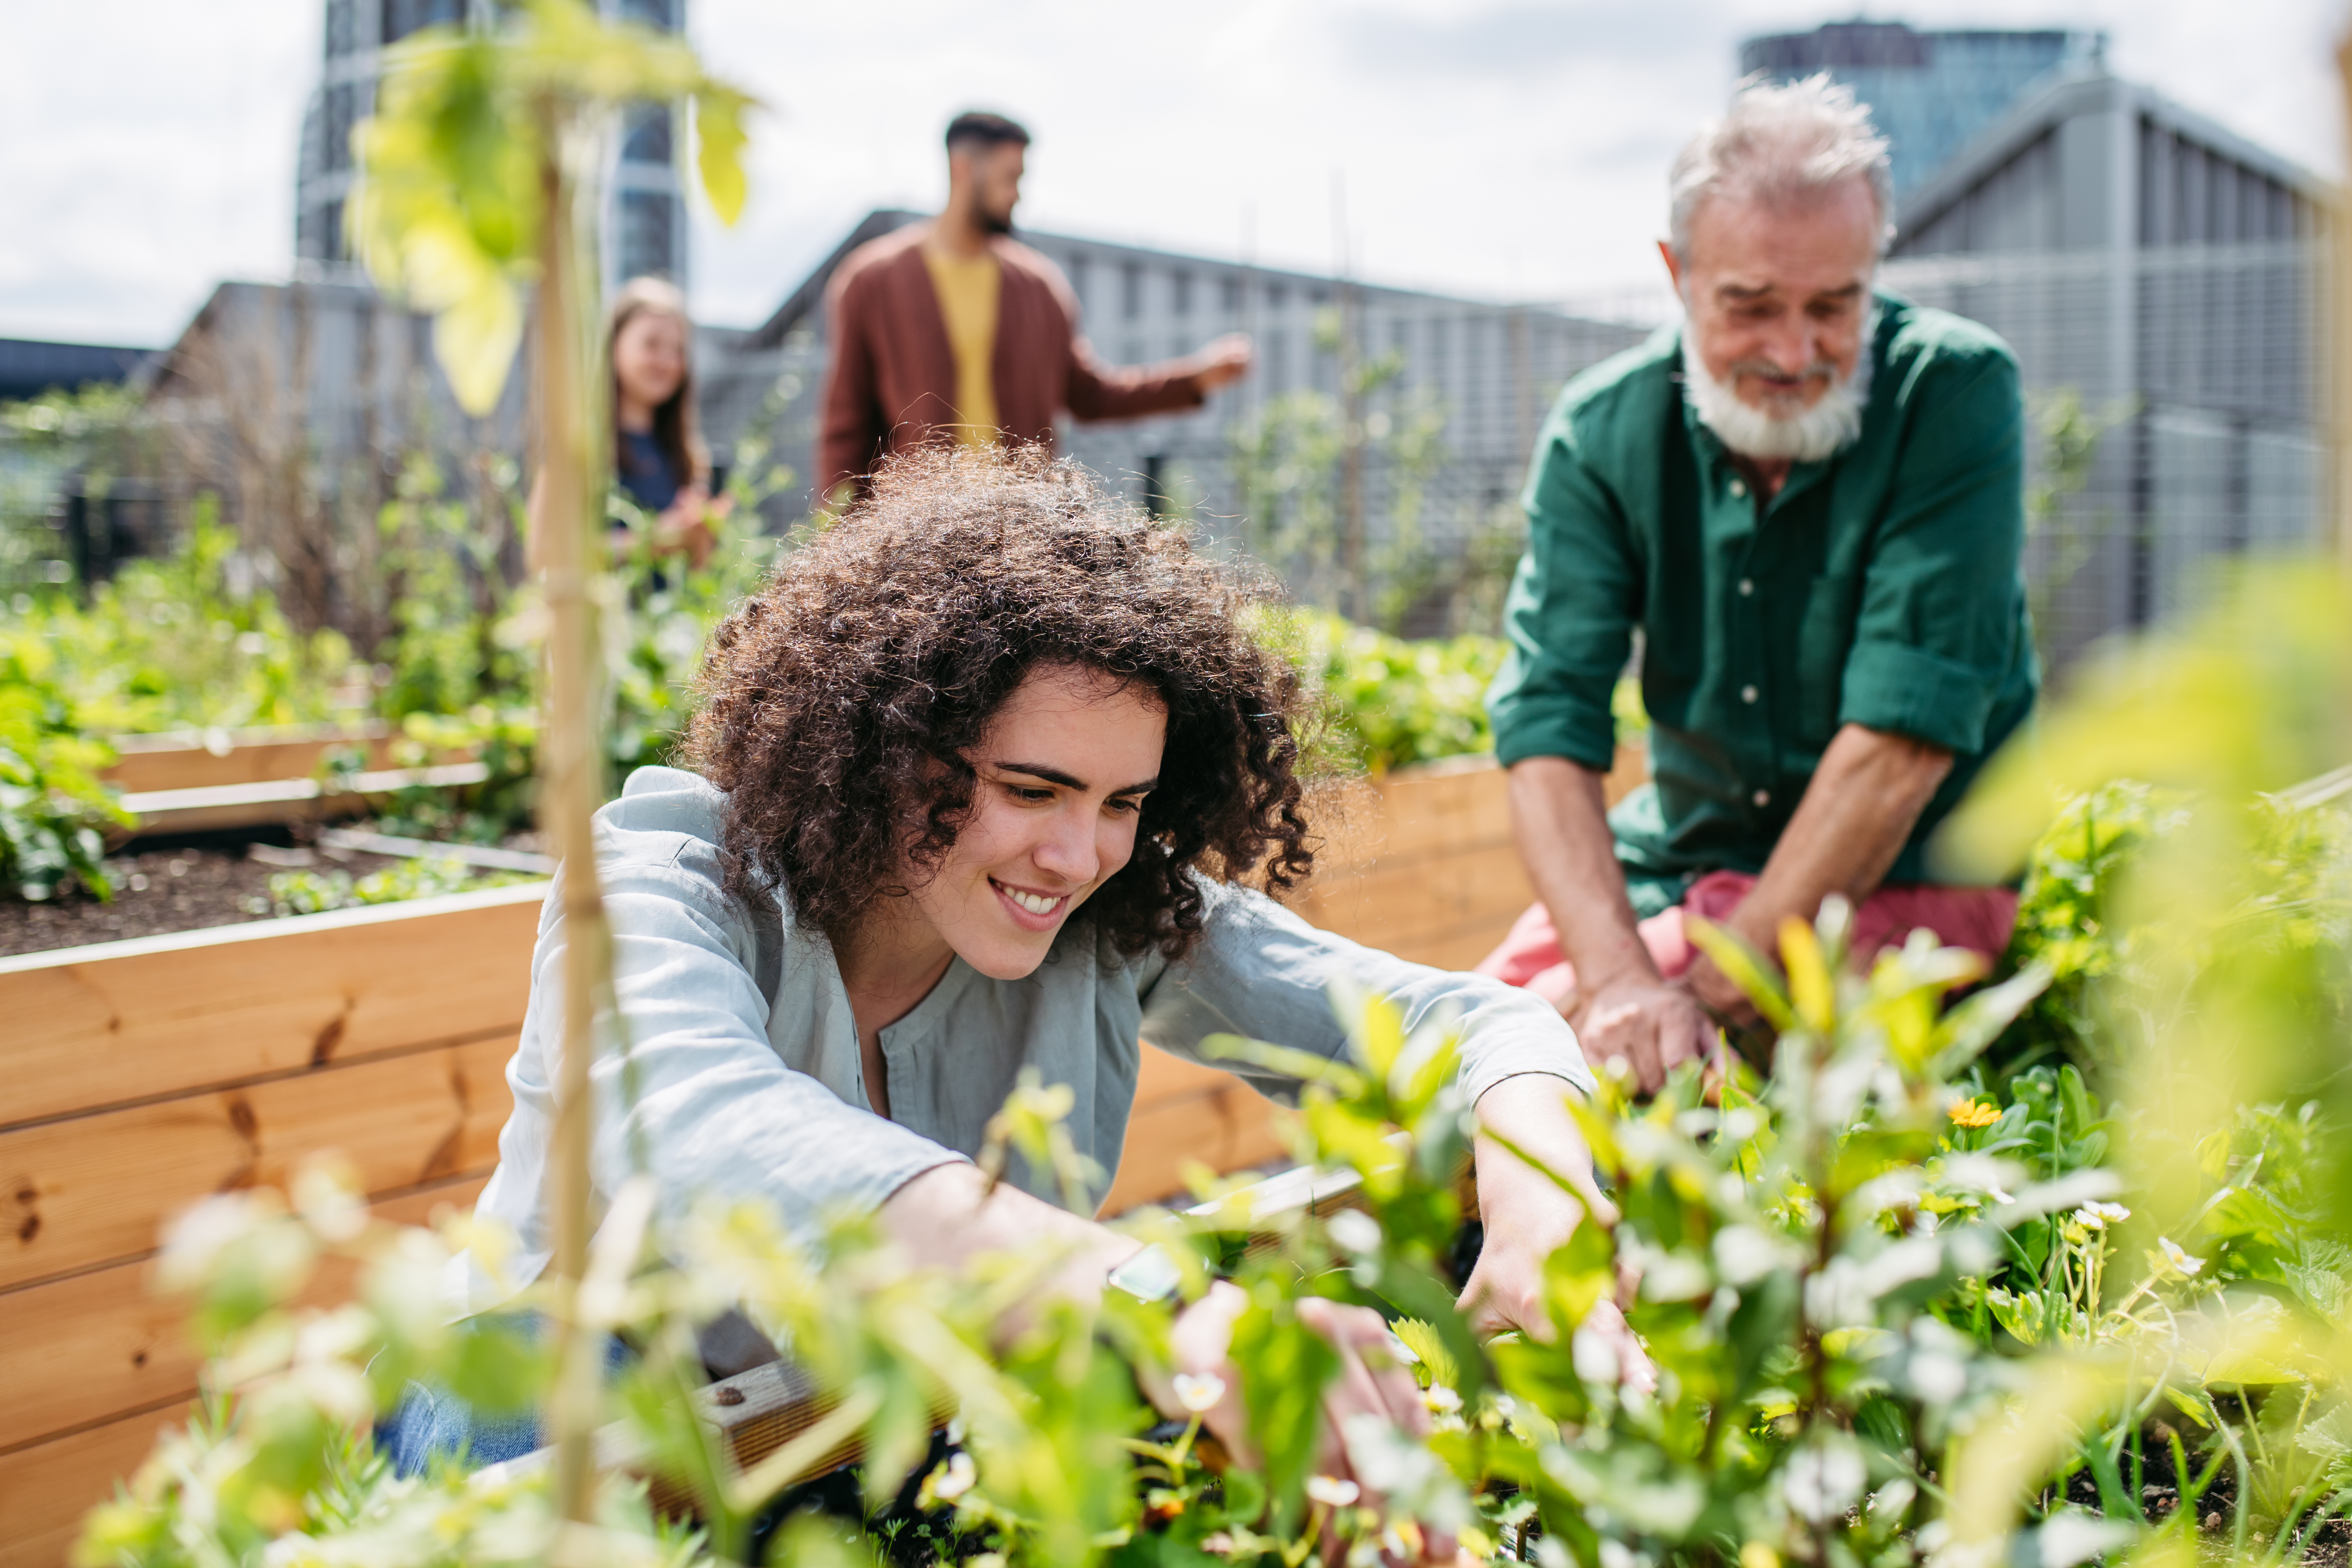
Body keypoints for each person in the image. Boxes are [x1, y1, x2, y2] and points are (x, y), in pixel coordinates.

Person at [398, 447, 1641, 1506]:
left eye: (1122, 804)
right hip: (539, 1439)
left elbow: (1461, 1022)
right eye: (1029, 789)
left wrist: (1546, 1210)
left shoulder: (1110, 905)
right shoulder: (665, 882)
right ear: (883, 740)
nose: (1076, 853)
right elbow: (706, 1131)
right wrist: (1149, 1300)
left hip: (850, 1441)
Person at [1478, 75, 2040, 1093]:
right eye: (1749, 307)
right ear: (1676, 275)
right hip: (1679, 863)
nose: (1795, 351)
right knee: (1481, 1034)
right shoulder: (1601, 432)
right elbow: (1547, 725)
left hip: (1911, 874)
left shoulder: (1952, 392)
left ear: (1874, 272)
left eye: (1834, 306)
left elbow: (1898, 748)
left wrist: (1703, 987)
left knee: (1587, 1069)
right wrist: (1615, 978)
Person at [817, 111, 1253, 503]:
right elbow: (847, 421)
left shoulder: (1039, 287)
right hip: (917, 539)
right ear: (963, 169)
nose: (1018, 194)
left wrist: (1195, 377)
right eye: (1011, 177)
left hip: (1023, 534)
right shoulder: (872, 280)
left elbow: (1090, 395)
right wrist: (837, 531)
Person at [608, 276, 730, 569]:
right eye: (651, 344)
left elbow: (702, 574)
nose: (666, 361)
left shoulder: (690, 454)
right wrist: (657, 538)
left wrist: (702, 531)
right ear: (613, 345)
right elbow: (547, 553)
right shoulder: (581, 446)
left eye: (677, 350)